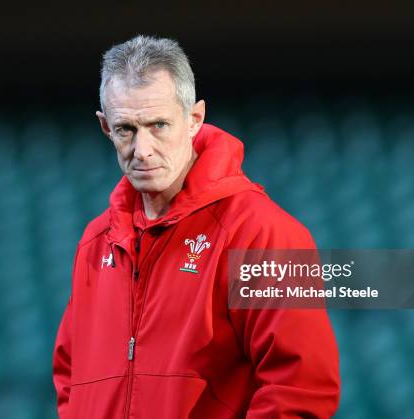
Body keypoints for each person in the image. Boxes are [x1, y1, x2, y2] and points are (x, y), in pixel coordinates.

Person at [53, 35, 340, 418]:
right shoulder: (96, 241)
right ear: (105, 127)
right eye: (126, 129)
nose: (142, 150)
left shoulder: (264, 233)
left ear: (195, 120)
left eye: (158, 125)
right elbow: (70, 377)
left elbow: (302, 388)